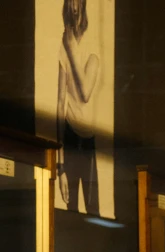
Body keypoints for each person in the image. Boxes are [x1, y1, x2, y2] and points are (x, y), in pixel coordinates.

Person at [56, 0, 100, 215]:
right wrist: (60, 166)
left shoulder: (91, 46)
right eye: (70, 3)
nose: (73, 8)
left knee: (93, 211)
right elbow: (59, 105)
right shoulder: (64, 47)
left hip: (89, 140)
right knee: (70, 212)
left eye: (77, 3)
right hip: (70, 136)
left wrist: (70, 44)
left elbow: (84, 93)